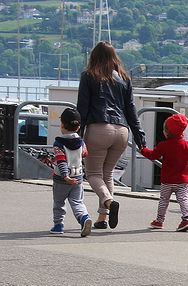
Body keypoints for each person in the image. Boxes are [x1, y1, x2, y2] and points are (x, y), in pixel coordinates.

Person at [76, 41, 145, 231]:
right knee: (107, 174)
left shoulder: (89, 76)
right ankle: (102, 218)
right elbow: (131, 109)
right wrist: (138, 134)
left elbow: (82, 108)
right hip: (122, 131)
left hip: (99, 128)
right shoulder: (124, 78)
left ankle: (108, 201)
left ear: (94, 57)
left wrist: (76, 137)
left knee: (93, 174)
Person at [140, 113, 188, 232]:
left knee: (164, 200)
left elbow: (152, 155)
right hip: (182, 180)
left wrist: (143, 149)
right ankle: (187, 218)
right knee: (183, 198)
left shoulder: (164, 145)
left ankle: (159, 221)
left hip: (167, 180)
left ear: (167, 132)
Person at [49, 107, 94, 238]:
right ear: (78, 127)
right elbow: (85, 154)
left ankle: (58, 226)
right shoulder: (81, 143)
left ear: (62, 124)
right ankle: (84, 218)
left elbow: (61, 161)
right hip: (78, 177)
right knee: (77, 202)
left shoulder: (58, 144)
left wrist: (65, 176)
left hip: (61, 179)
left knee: (59, 202)